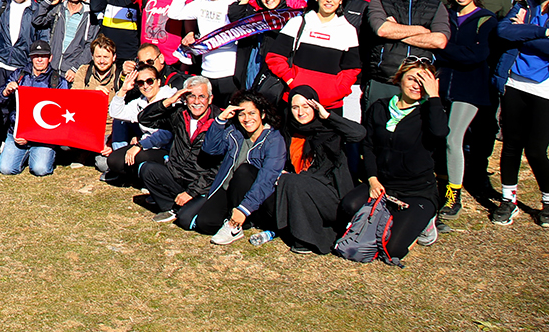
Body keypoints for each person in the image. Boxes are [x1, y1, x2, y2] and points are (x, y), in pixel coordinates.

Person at [337, 58, 448, 264]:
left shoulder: (429, 112)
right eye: (412, 78)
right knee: (348, 206)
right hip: (383, 185)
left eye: (423, 82)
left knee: (393, 249)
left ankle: (425, 221)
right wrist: (372, 179)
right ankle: (388, 214)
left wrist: (434, 96)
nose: (416, 85)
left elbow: (440, 133)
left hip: (417, 192)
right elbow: (368, 146)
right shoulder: (379, 108)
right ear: (400, 79)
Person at [176, 92, 285, 242]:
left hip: (258, 196)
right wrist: (220, 120)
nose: (247, 119)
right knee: (205, 223)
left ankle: (239, 221)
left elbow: (267, 178)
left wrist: (244, 209)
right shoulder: (235, 132)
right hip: (229, 188)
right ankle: (241, 222)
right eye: (242, 114)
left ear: (263, 114)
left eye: (252, 113)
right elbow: (210, 149)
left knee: (245, 171)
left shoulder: (274, 140)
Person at [273, 85, 366, 254]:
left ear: (315, 106)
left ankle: (307, 240)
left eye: (306, 106)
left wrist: (328, 116)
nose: (301, 112)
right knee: (284, 180)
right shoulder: (289, 130)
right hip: (306, 188)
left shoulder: (329, 129)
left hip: (332, 194)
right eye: (295, 107)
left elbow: (358, 133)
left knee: (293, 181)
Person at [491, 0, 549, 226]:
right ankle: (508, 200)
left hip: (544, 88)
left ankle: (547, 201)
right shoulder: (524, 3)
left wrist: (522, 32)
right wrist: (541, 32)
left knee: (536, 149)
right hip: (515, 82)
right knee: (511, 145)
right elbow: (504, 30)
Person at [435, 0, 496, 218]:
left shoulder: (486, 20)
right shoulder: (445, 16)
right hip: (441, 85)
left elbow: (477, 55)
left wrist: (442, 45)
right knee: (439, 138)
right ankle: (436, 186)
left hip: (470, 89)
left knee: (453, 139)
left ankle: (453, 197)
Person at [118, 81, 218, 221]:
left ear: (210, 98)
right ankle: (170, 207)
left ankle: (186, 205)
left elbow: (217, 168)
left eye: (202, 96)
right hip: (176, 174)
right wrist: (170, 100)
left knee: (186, 219)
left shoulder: (219, 121)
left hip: (200, 181)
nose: (196, 102)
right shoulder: (179, 114)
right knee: (147, 169)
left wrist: (191, 192)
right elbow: (144, 118)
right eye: (191, 96)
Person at [264, 0, 361, 112]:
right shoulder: (298, 23)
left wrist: (339, 91)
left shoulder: (348, 30)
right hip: (296, 103)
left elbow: (352, 69)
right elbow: (274, 57)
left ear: (341, 0)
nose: (329, 0)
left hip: (330, 107)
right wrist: (292, 81)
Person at [363, 0, 448, 106]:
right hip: (384, 79)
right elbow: (382, 30)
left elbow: (440, 41)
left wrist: (396, 32)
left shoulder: (436, 6)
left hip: (419, 83)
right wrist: (422, 31)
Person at [166, 0, 243, 103]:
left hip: (229, 74)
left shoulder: (233, 5)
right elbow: (173, 13)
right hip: (206, 73)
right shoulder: (200, 4)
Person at [0, 41, 63, 177]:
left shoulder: (58, 80)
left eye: (43, 56)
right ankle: (24, 153)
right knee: (6, 169)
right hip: (17, 132)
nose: (39, 59)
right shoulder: (19, 75)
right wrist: (6, 91)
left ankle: (41, 153)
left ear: (50, 58)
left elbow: (62, 114)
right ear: (30, 57)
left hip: (44, 136)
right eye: (35, 56)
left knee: (40, 169)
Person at [42, 0, 99, 88]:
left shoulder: (90, 16)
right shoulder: (58, 10)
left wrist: (75, 68)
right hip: (52, 68)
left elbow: (89, 45)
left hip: (72, 72)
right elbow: (38, 20)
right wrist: (47, 0)